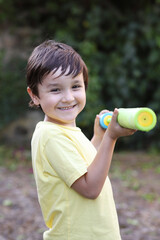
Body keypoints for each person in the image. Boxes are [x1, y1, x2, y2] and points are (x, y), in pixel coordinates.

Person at [26, 40, 135, 240]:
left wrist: (99, 137)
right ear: (34, 96)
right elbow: (90, 188)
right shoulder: (51, 136)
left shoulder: (65, 132)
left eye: (75, 86)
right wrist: (111, 138)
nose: (68, 97)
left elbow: (84, 168)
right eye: (55, 90)